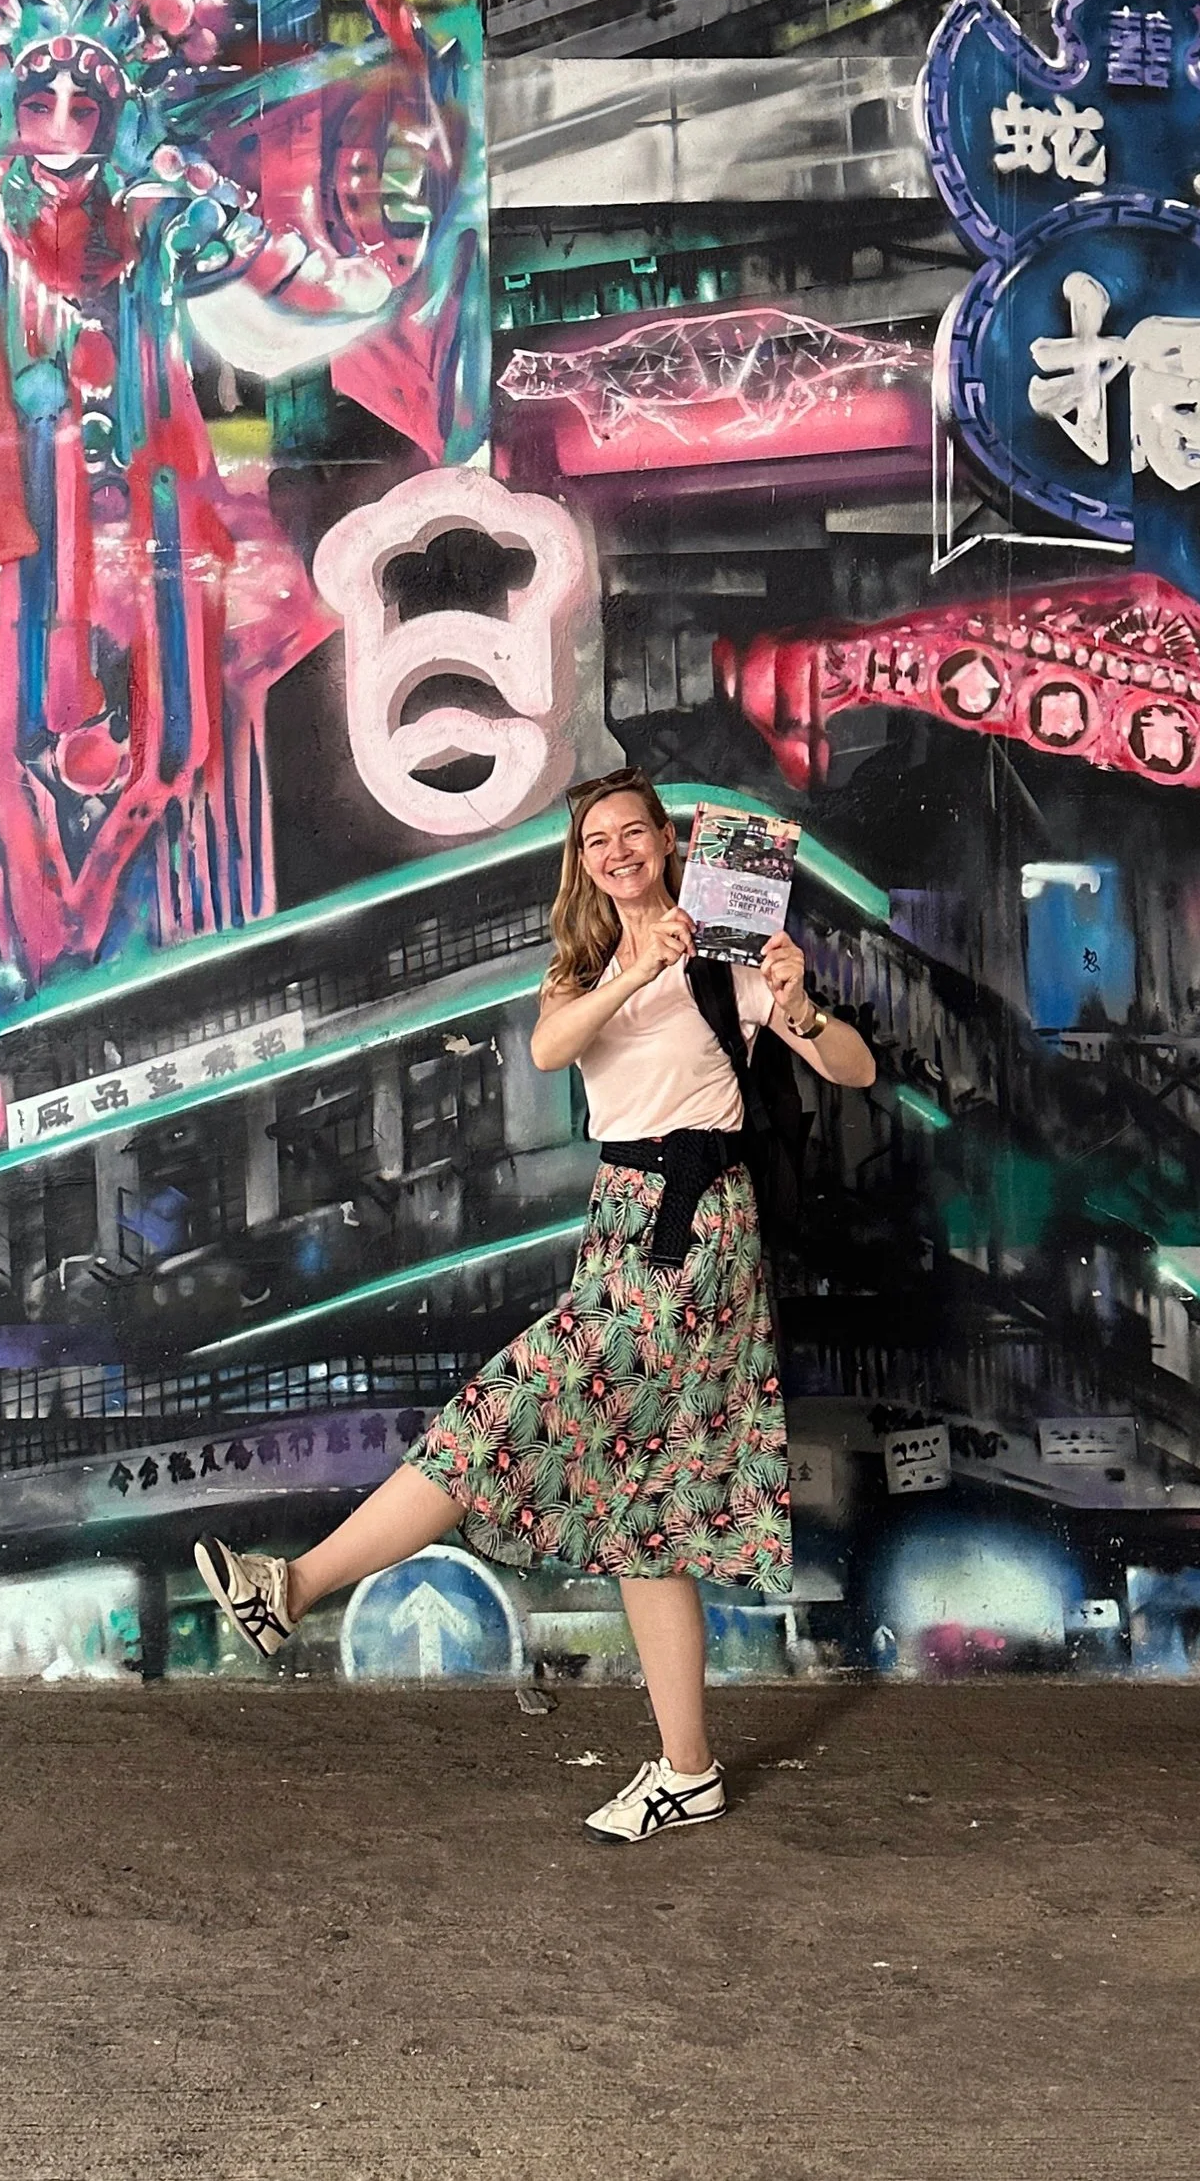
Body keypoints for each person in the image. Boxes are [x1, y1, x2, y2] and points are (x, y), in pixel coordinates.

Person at [196, 765, 878, 1840]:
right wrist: (634, 970)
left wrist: (795, 1003)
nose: (614, 851)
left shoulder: (727, 958)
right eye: (595, 841)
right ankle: (687, 1771)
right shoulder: (582, 967)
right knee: (645, 1514)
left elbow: (851, 1068)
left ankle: (292, 1587)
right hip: (620, 1222)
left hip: (694, 1231)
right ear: (585, 863)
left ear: (665, 841)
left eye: (630, 833)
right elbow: (553, 1048)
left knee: (498, 1413)